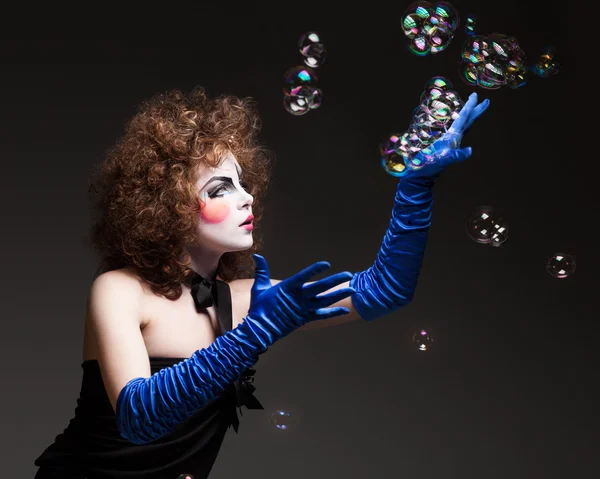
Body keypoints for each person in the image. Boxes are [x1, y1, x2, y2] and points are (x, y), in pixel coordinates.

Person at [33, 86, 489, 479]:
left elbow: (384, 289)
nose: (247, 195)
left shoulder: (245, 299)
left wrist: (416, 185)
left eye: (242, 182)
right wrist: (256, 332)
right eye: (220, 189)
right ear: (166, 207)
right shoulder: (120, 290)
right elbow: (139, 417)